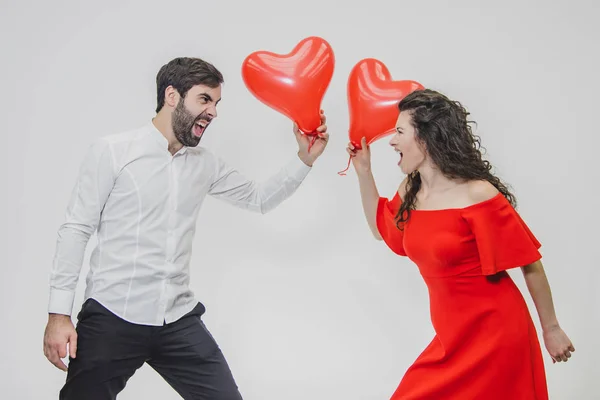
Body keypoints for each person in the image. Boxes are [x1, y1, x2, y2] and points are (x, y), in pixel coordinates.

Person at [43, 56, 329, 400]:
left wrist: (305, 159)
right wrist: (58, 314)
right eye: (205, 99)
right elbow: (76, 229)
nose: (213, 112)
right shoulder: (112, 152)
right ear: (172, 96)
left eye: (217, 103)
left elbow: (258, 199)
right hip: (113, 315)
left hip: (176, 319)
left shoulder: (205, 164)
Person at [347, 88, 574, 399]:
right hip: (450, 340)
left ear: (425, 138)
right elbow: (381, 230)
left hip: (497, 335)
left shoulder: (477, 194)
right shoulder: (411, 190)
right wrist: (363, 171)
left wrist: (551, 329)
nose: (392, 140)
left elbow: (530, 264)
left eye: (400, 131)